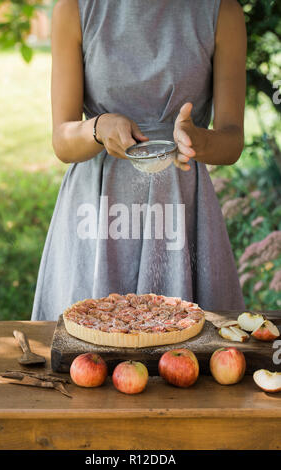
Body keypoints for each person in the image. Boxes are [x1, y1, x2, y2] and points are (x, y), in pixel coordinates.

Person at [31, 0, 246, 321]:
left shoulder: (222, 12)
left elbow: (231, 140)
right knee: (87, 347)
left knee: (185, 353)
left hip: (179, 203)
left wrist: (199, 140)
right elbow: (63, 140)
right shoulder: (74, 9)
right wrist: (98, 128)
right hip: (98, 209)